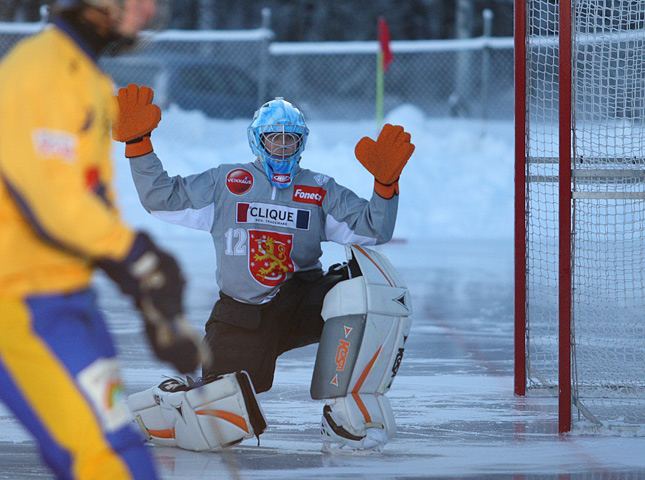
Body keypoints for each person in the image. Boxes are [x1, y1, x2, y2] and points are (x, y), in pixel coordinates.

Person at [116, 89, 415, 451]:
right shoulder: (226, 182)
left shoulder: (319, 190)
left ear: (301, 144)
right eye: (275, 139)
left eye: (291, 140)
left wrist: (385, 188)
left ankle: (347, 416)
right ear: (258, 142)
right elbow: (161, 197)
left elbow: (372, 229)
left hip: (300, 299)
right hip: (242, 313)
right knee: (217, 419)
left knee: (363, 293)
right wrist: (138, 144)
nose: (283, 148)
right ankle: (170, 405)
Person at [0, 1, 203, 479]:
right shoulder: (43, 70)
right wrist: (136, 259)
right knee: (107, 461)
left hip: (66, 298)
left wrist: (144, 288)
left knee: (117, 451)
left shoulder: (87, 77)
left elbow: (86, 199)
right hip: (21, 303)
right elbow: (50, 200)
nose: (147, 10)